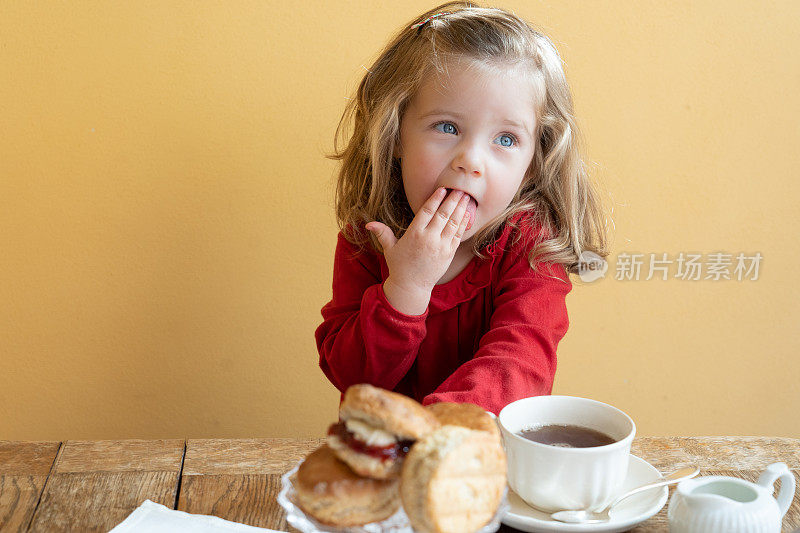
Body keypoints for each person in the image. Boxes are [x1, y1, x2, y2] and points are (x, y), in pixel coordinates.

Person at [314, 1, 609, 414]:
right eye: (447, 127)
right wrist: (407, 288)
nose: (471, 160)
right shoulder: (369, 237)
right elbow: (351, 376)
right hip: (384, 459)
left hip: (477, 454)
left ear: (532, 165)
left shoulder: (533, 246)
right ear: (396, 134)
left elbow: (520, 361)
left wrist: (441, 429)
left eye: (505, 139)